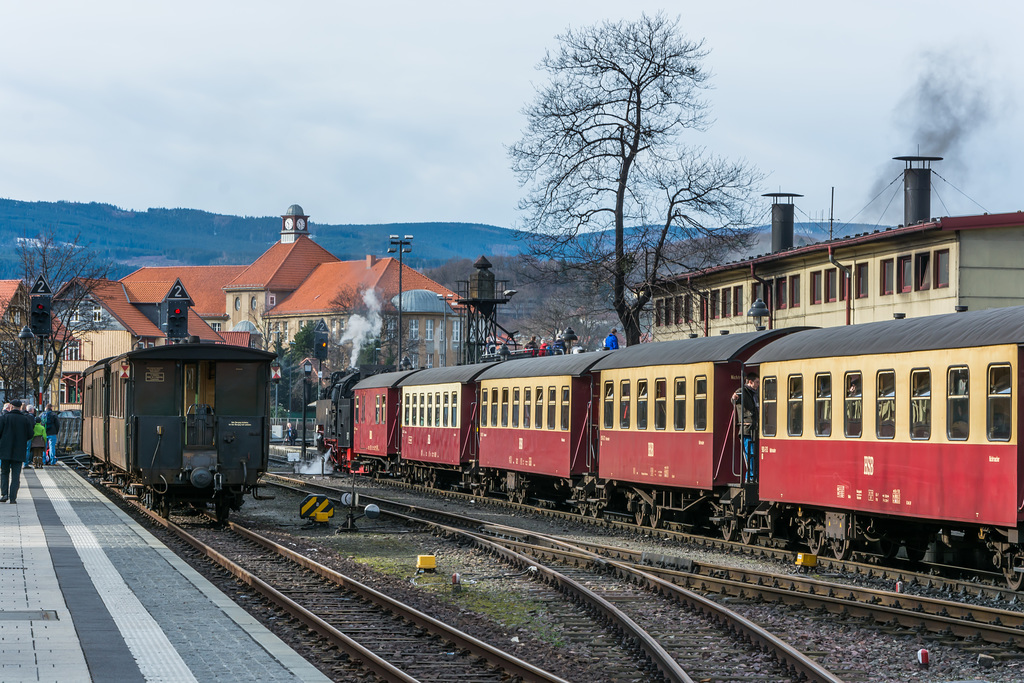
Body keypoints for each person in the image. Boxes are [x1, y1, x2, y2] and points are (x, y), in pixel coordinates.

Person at [1, 400, 34, 503]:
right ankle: (13, 497)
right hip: (19, 451)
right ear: (20, 407)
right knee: (16, 475)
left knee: (4, 472)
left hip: (5, 450)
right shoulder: (25, 419)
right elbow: (30, 434)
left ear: (11, 407)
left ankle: (4, 494)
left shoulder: (4, 418)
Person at [731, 372, 760, 483]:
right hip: (747, 430)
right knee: (750, 455)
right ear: (750, 382)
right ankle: (750, 477)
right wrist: (734, 398)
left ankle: (755, 476)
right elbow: (734, 399)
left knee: (755, 455)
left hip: (755, 429)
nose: (758, 384)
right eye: (756, 382)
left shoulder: (755, 393)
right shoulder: (742, 391)